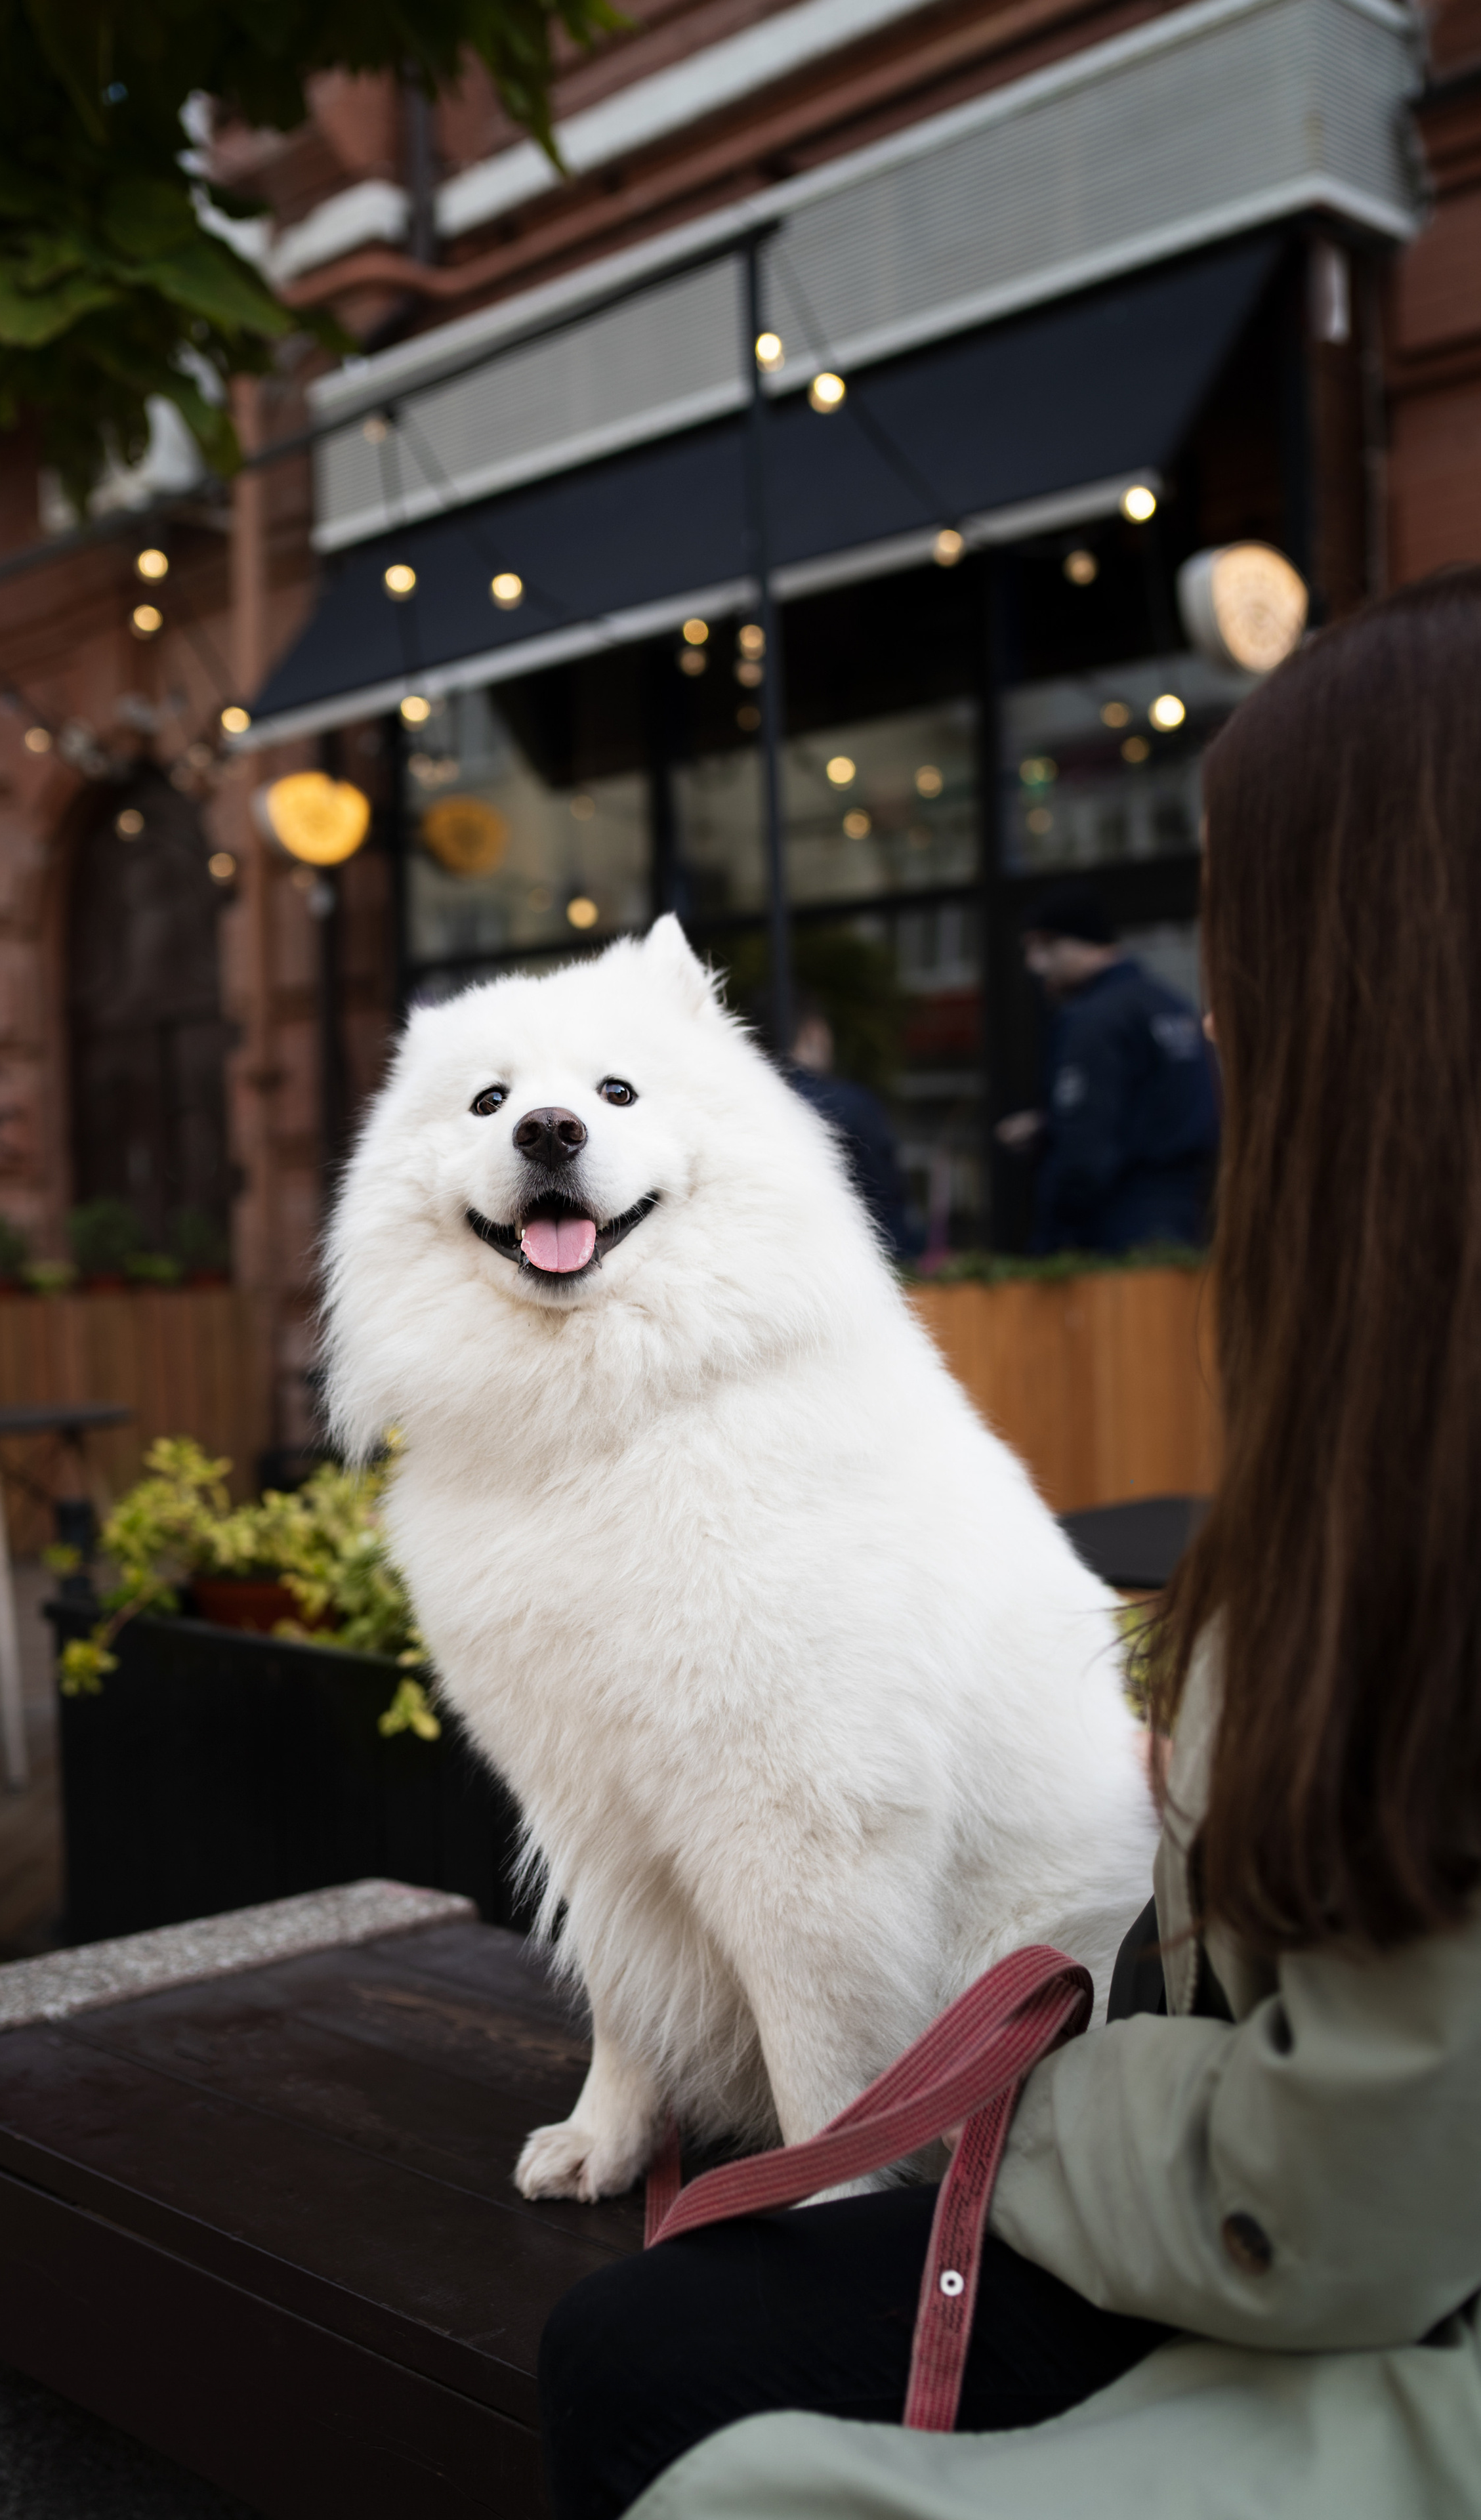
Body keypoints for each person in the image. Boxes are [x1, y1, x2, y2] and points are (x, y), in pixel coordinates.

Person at [537, 570, 1481, 2520]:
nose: (1210, 1011)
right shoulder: (1388, 1400)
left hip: (1342, 2258)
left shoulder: (1410, 1456)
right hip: (1306, 2193)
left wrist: (1018, 2089)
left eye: (1239, 934)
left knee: (683, 2417)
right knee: (643, 2340)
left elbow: (1333, 2181)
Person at [996, 885, 1218, 1253]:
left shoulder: (1096, 1017)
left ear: (1076, 941)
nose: (1035, 965)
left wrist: (1055, 1237)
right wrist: (1049, 1127)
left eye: (1043, 947)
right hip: (1188, 1215)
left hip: (1123, 1225)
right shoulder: (1169, 1003)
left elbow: (1085, 1145)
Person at [779, 991, 911, 1256]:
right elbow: (888, 1201)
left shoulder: (754, 1107)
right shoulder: (852, 1104)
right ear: (813, 1031)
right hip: (854, 1258)